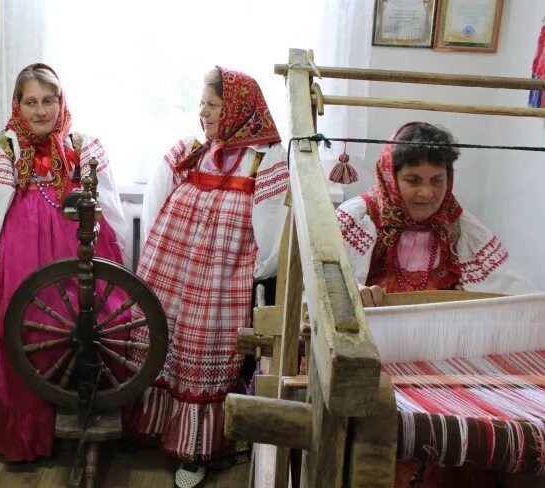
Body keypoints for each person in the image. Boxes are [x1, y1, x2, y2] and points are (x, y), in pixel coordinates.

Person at [127, 67, 290, 488]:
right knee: (163, 338)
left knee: (203, 347)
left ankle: (195, 448)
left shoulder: (266, 158)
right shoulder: (193, 148)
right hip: (173, 268)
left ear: (237, 108)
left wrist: (256, 275)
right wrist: (155, 253)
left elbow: (272, 228)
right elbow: (157, 195)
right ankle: (158, 427)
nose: (203, 112)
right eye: (201, 102)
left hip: (222, 278)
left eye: (213, 104)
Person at [0, 63, 130, 462]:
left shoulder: (83, 147)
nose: (40, 111)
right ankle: (29, 431)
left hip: (79, 248)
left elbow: (109, 207)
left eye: (48, 101)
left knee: (93, 324)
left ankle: (88, 412)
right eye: (31, 102)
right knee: (28, 332)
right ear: (17, 105)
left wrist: (117, 251)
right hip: (23, 256)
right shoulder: (0, 151)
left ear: (61, 101)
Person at [336, 121, 537, 308]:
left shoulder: (460, 227)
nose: (426, 193)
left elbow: (513, 293)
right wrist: (352, 292)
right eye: (413, 180)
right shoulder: (357, 220)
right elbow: (327, 286)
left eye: (437, 180)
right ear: (390, 177)